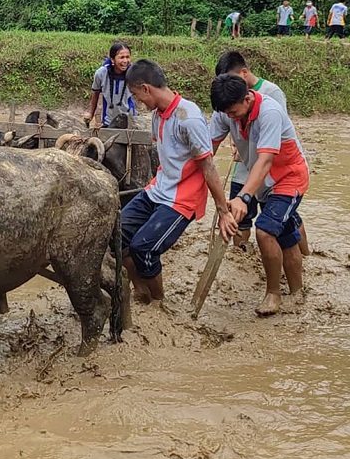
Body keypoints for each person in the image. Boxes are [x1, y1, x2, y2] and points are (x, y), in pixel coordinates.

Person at [118, 59, 231, 306]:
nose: (139, 102)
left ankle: (158, 301)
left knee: (144, 249)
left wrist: (223, 211)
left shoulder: (188, 117)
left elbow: (208, 165)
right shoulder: (158, 115)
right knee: (117, 237)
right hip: (158, 188)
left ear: (147, 88)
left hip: (182, 198)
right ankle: (141, 291)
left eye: (138, 96)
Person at [211, 74, 310, 317]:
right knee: (286, 235)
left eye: (234, 112)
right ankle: (298, 293)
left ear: (247, 98)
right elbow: (207, 150)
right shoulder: (226, 111)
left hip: (288, 178)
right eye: (227, 114)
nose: (231, 118)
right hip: (265, 183)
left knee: (265, 231)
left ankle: (273, 293)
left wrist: (244, 197)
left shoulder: (270, 112)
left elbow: (265, 160)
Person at [212, 50, 310, 257]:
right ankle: (241, 259)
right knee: (240, 217)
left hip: (273, 170)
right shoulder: (227, 103)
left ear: (244, 74)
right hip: (246, 165)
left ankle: (304, 256)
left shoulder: (271, 96)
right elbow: (218, 136)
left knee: (280, 222)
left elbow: (273, 135)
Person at [84, 42, 136, 129]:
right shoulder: (101, 73)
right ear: (112, 59)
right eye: (121, 57)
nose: (125, 61)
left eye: (127, 57)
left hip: (129, 120)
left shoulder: (133, 74)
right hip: (108, 120)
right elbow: (96, 93)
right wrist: (91, 114)